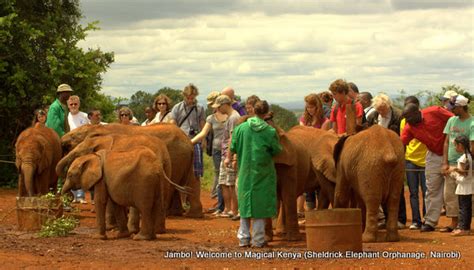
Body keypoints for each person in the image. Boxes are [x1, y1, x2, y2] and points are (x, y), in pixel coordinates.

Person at [230, 100, 282, 248]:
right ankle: (258, 240)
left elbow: (233, 146)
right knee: (261, 204)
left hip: (245, 171)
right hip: (263, 172)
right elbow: (277, 150)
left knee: (245, 203)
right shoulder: (269, 131)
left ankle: (243, 239)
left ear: (253, 110)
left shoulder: (241, 128)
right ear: (266, 113)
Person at [401, 102, 453, 232]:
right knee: (432, 189)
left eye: (410, 117)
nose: (408, 121)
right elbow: (401, 143)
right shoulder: (409, 127)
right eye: (406, 118)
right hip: (433, 155)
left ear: (417, 112)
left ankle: (456, 222)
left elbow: (454, 121)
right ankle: (430, 221)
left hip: (452, 153)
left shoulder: (434, 111)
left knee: (452, 190)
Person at [368, 94, 405, 229]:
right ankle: (387, 218)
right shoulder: (372, 117)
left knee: (397, 188)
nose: (381, 112)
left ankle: (400, 219)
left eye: (383, 109)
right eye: (379, 109)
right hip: (378, 156)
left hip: (395, 154)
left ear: (389, 106)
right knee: (383, 188)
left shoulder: (399, 116)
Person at [170, 83, 205, 216]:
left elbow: (202, 126)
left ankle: (195, 205)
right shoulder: (177, 108)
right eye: (189, 97)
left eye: (193, 97)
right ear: (184, 96)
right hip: (180, 143)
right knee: (178, 173)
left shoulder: (200, 108)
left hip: (194, 141)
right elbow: (173, 125)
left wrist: (203, 141)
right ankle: (179, 204)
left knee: (195, 173)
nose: (191, 99)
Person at [191, 91, 228, 215]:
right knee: (220, 176)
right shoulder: (211, 118)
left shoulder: (230, 116)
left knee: (229, 178)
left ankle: (227, 206)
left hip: (229, 149)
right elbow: (203, 133)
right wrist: (190, 142)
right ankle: (221, 205)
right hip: (217, 150)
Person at [441, 94, 473, 233]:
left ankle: (463, 225)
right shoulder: (451, 120)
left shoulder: (472, 123)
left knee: (465, 196)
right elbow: (447, 142)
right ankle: (454, 223)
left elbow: (472, 145)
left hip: (463, 164)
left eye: (454, 107)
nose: (452, 110)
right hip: (451, 164)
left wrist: (465, 163)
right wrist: (445, 163)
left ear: (461, 107)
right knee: (450, 195)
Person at [298, 93, 330, 216]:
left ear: (318, 107)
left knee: (320, 186)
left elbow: (320, 138)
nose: (309, 110)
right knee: (307, 189)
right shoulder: (303, 119)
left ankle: (320, 214)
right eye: (307, 107)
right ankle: (310, 214)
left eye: (312, 107)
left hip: (319, 157)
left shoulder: (325, 121)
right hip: (306, 158)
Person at [401, 96, 427, 230]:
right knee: (413, 192)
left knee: (426, 192)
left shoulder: (425, 119)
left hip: (425, 160)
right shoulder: (404, 122)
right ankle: (416, 221)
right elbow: (403, 141)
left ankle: (427, 220)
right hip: (410, 159)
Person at [212, 95, 241, 218]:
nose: (218, 109)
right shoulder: (231, 117)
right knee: (225, 182)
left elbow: (233, 139)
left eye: (219, 106)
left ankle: (234, 210)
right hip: (225, 154)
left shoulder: (234, 118)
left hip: (229, 154)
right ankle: (228, 209)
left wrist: (231, 156)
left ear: (225, 104)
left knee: (231, 183)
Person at [447, 135, 473, 236]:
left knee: (463, 208)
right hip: (466, 185)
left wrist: (454, 169)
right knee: (466, 207)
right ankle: (464, 227)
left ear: (461, 145)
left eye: (456, 146)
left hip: (464, 186)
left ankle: (464, 228)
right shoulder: (469, 156)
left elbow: (464, 172)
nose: (455, 148)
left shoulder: (464, 158)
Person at [67, 95, 90, 204]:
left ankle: (81, 196)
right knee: (71, 171)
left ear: (79, 104)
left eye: (75, 104)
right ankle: (72, 195)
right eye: (71, 104)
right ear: (68, 105)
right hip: (70, 148)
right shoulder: (66, 117)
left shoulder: (85, 116)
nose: (73, 106)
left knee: (81, 170)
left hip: (82, 147)